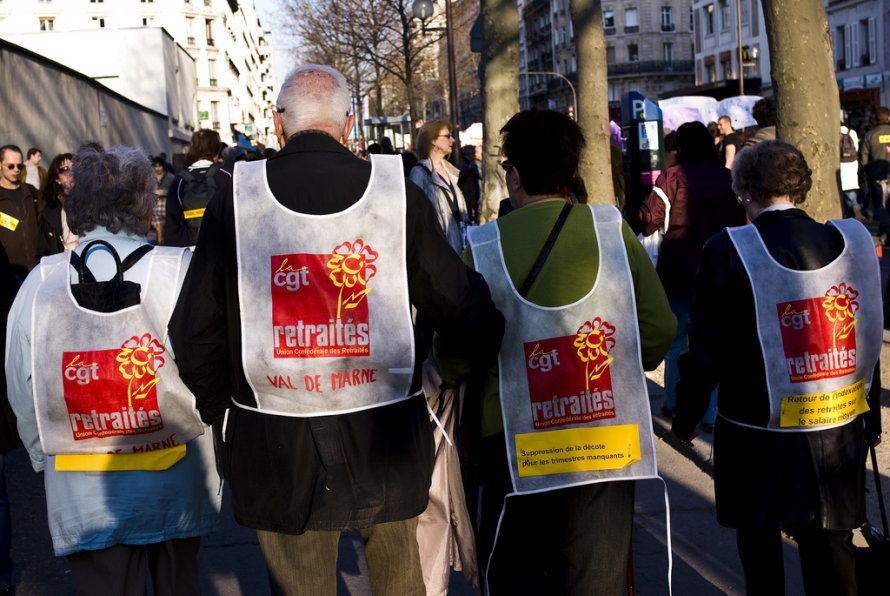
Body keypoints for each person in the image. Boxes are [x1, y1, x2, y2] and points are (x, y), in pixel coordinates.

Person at [168, 64, 504, 595]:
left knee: (300, 582)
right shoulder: (395, 194)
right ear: (349, 124)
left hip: (274, 439)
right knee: (399, 578)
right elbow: (466, 309)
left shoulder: (235, 200)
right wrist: (450, 375)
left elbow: (192, 333)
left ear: (280, 123)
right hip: (386, 435)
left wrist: (223, 410)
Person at [436, 110, 675, 594]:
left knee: (516, 578)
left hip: (513, 445)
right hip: (606, 443)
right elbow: (657, 330)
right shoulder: (612, 232)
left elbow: (454, 355)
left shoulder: (483, 247)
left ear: (517, 175)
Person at [5, 144, 221, 594]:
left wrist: (40, 454)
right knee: (179, 581)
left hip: (83, 480)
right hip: (176, 474)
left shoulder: (40, 283)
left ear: (75, 202)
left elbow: (22, 383)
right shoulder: (179, 268)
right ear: (145, 201)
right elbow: (211, 367)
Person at [673, 140, 882, 596]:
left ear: (744, 187)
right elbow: (865, 333)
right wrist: (871, 418)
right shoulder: (848, 241)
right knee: (832, 548)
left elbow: (706, 349)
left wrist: (686, 417)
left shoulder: (727, 249)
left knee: (760, 551)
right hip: (836, 422)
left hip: (755, 429)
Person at [639, 121, 746, 430]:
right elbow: (741, 220)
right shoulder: (728, 178)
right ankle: (712, 412)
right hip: (721, 268)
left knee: (676, 340)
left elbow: (649, 219)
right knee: (715, 340)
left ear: (681, 147)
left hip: (678, 268)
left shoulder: (671, 177)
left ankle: (674, 402)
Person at [409, 120, 471, 253]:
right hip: (439, 254)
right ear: (433, 140)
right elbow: (415, 218)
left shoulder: (450, 171)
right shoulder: (420, 173)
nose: (453, 140)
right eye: (448, 136)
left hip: (460, 250)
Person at [165, 129, 231, 247]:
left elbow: (172, 226)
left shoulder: (179, 181)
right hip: (224, 250)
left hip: (190, 252)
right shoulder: (228, 176)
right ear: (216, 149)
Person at [0, 145, 39, 284]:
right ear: (0, 165)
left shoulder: (31, 192)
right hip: (8, 273)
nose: (16, 170)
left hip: (35, 269)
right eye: (10, 166)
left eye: (19, 166)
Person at [36, 153, 77, 256]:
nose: (71, 172)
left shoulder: (94, 204)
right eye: (65, 169)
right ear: (57, 179)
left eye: (75, 167)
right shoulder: (49, 211)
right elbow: (43, 250)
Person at [859, 106, 890, 234]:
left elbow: (863, 159)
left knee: (879, 205)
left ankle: (886, 230)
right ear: (888, 118)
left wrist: (862, 175)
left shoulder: (870, 135)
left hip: (876, 177)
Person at [838, 111, 862, 220]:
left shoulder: (834, 133)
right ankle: (855, 208)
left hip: (839, 167)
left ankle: (850, 212)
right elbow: (856, 149)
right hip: (851, 166)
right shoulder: (852, 132)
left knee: (842, 195)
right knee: (851, 193)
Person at [149, 156, 174, 245]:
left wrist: (163, 192)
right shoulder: (150, 178)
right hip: (155, 206)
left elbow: (173, 191)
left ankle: (165, 242)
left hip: (166, 205)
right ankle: (160, 243)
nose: (157, 168)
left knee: (166, 227)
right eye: (155, 166)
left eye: (159, 166)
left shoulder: (170, 177)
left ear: (163, 166)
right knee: (158, 228)